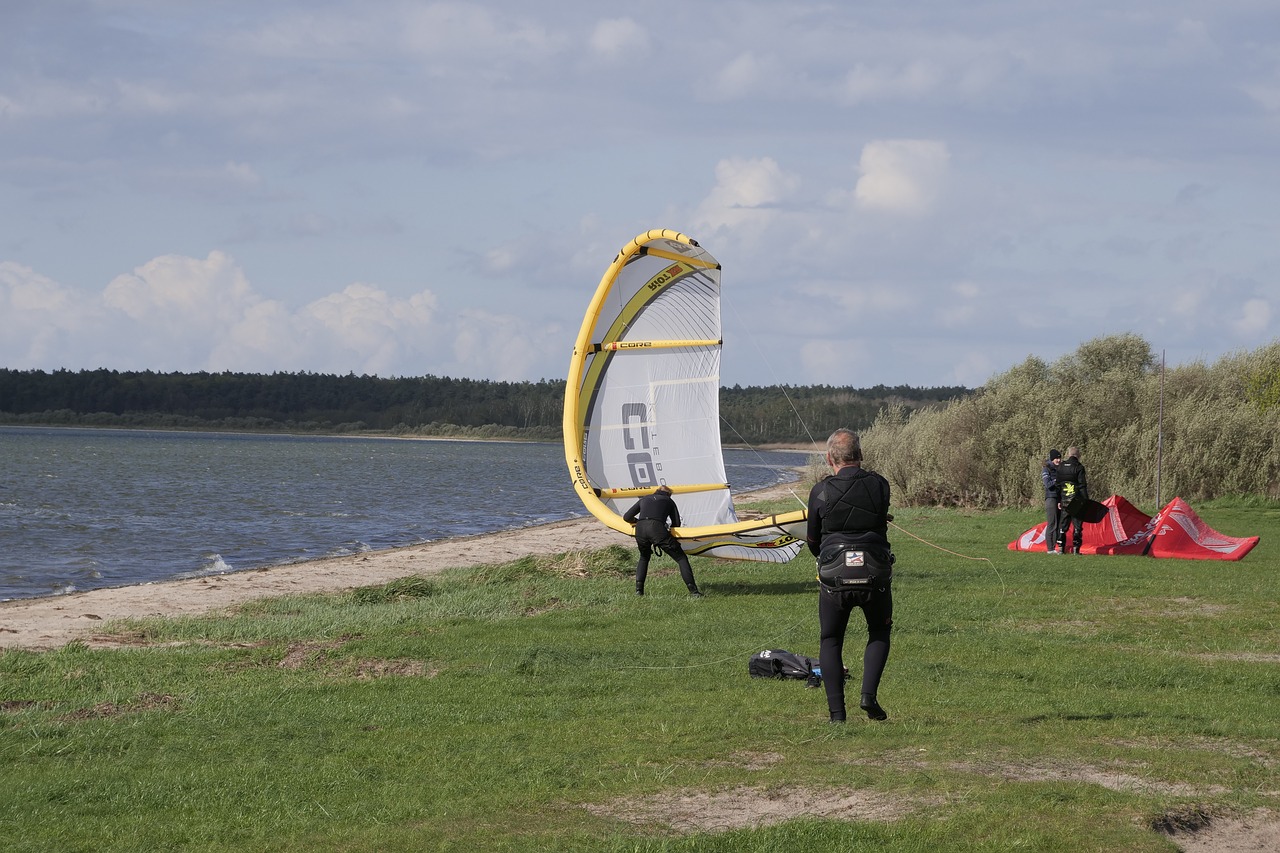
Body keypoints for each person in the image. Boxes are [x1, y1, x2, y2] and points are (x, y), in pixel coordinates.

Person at [806, 428, 893, 723]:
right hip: (875, 572)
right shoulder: (880, 484)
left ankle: (837, 715)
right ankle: (868, 696)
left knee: (831, 638)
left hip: (834, 575)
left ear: (830, 458)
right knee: (879, 631)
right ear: (861, 456)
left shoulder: (820, 491)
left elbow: (813, 541)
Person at [623, 485, 703, 597]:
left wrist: (637, 521)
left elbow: (626, 517)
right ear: (669, 494)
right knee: (681, 558)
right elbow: (676, 524)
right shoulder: (669, 501)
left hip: (640, 529)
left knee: (644, 557)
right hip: (656, 529)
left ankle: (639, 591)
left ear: (656, 492)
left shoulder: (644, 499)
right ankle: (694, 592)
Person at [1055, 446, 1089, 554]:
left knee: (1063, 525)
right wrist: (1086, 500)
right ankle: (1076, 549)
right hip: (1076, 501)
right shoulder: (1079, 467)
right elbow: (1082, 486)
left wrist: (1058, 500)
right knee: (1077, 525)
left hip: (1064, 499)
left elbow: (1058, 485)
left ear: (1068, 455)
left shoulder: (1061, 467)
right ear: (1078, 456)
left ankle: (1060, 548)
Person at [1042, 449, 1063, 554]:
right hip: (1050, 498)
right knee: (1052, 523)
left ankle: (1055, 547)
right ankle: (1050, 548)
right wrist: (1057, 480)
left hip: (1058, 499)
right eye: (1056, 458)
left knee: (1058, 524)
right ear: (1052, 459)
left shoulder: (1059, 469)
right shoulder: (1046, 469)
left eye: (1059, 458)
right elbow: (1048, 484)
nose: (1058, 460)